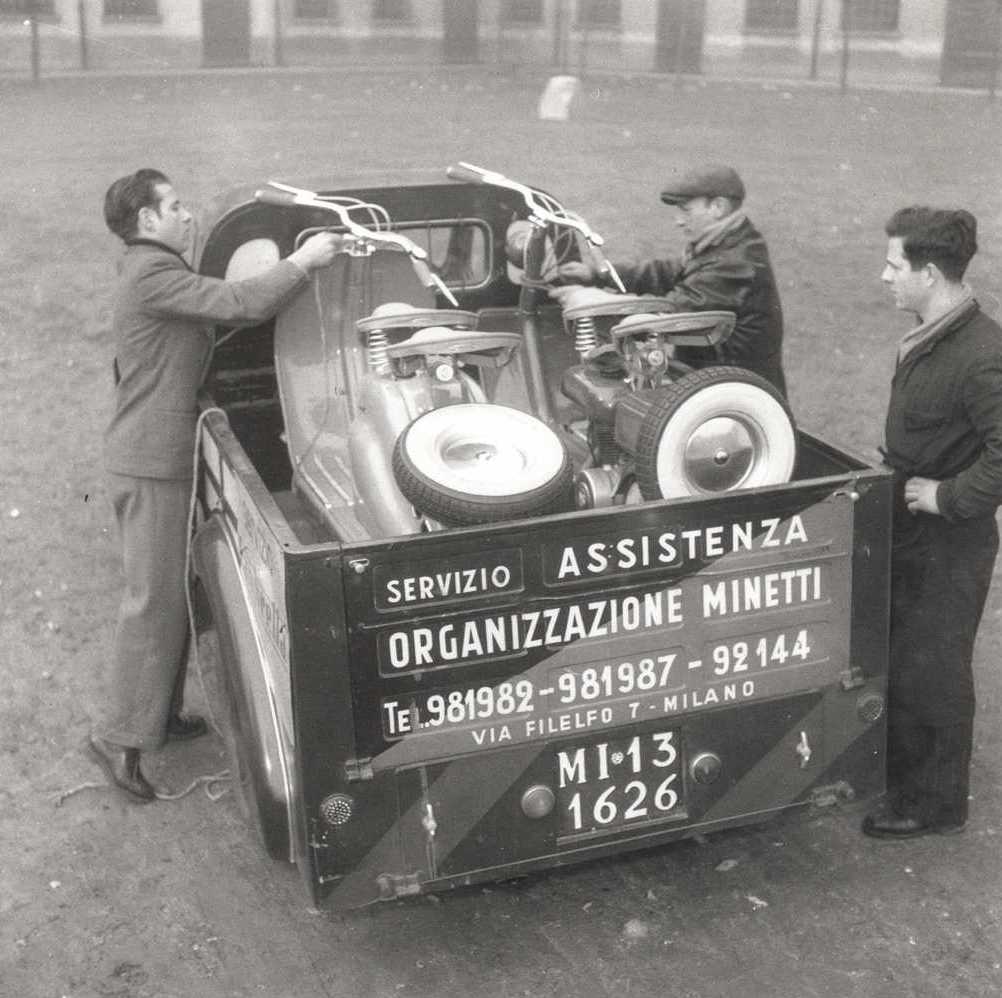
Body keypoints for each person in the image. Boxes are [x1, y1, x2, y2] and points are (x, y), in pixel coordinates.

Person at [90, 168, 340, 802]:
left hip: (159, 454)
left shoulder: (151, 270)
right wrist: (305, 261)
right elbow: (240, 305)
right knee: (153, 602)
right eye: (175, 206)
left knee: (176, 592)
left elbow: (209, 322)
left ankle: (158, 717)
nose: (189, 214)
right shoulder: (153, 273)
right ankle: (117, 739)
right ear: (147, 221)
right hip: (150, 462)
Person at [863, 206, 1002, 839]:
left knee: (935, 666)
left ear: (929, 272)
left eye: (895, 265)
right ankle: (904, 777)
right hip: (912, 528)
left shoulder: (980, 354)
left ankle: (936, 803)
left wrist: (948, 496)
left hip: (948, 539)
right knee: (904, 650)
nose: (884, 276)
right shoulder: (935, 331)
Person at [552, 163, 787, 395]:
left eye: (686, 210)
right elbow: (668, 272)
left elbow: (676, 313)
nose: (678, 220)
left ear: (718, 207)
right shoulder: (725, 242)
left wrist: (597, 301)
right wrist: (597, 274)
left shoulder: (737, 260)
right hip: (709, 377)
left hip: (735, 393)